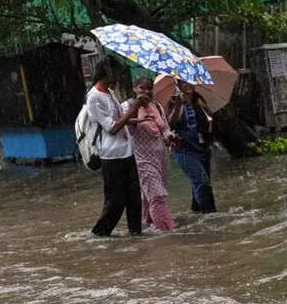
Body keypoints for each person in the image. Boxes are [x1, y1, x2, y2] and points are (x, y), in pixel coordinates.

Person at [87, 58, 147, 237]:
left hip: (127, 151)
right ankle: (100, 234)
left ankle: (136, 234)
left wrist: (138, 117)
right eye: (116, 74)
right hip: (111, 155)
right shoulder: (94, 97)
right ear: (107, 73)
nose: (118, 78)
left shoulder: (110, 93)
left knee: (134, 198)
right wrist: (135, 106)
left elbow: (122, 119)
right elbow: (112, 127)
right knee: (115, 201)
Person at [121, 76, 177, 232]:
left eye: (149, 88)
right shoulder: (126, 106)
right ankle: (166, 231)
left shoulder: (157, 106)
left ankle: (147, 226)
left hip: (161, 156)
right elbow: (124, 127)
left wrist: (171, 136)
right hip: (141, 158)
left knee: (150, 195)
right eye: (142, 88)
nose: (146, 92)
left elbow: (165, 129)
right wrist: (137, 108)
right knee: (157, 195)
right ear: (134, 88)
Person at [167, 80, 217, 213]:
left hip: (203, 148)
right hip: (185, 149)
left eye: (191, 82)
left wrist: (207, 114)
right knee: (202, 181)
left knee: (202, 182)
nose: (188, 85)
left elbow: (209, 123)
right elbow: (170, 123)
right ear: (178, 85)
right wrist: (178, 104)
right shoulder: (174, 102)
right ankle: (211, 215)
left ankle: (196, 212)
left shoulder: (199, 101)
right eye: (184, 82)